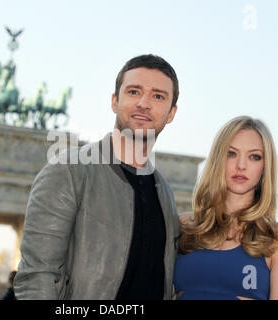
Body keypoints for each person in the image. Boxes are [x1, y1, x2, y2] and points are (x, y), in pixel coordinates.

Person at [14, 54, 181, 299]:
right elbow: (37, 277)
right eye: (134, 92)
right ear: (115, 101)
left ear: (171, 113)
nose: (144, 103)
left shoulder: (164, 191)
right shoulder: (69, 170)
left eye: (158, 96)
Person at [173, 116, 278, 300]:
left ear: (265, 166)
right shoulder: (184, 225)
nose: (241, 165)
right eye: (231, 153)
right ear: (218, 159)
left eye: (254, 157)